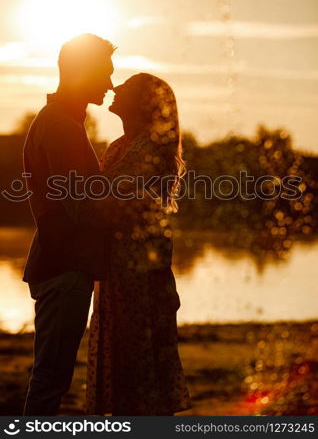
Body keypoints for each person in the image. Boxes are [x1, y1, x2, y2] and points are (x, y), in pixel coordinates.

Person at [85, 73, 192, 415]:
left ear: (142, 103)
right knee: (121, 352)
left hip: (140, 271)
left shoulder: (148, 146)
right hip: (117, 267)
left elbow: (119, 202)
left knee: (140, 357)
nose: (115, 88)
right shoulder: (120, 146)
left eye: (126, 88)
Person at [22, 33, 116, 416]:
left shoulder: (63, 121)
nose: (110, 84)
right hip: (63, 268)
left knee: (50, 377)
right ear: (82, 72)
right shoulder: (62, 127)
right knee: (51, 379)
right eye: (104, 74)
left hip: (61, 265)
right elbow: (80, 206)